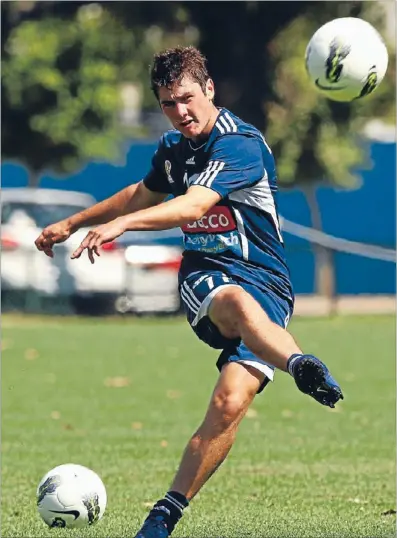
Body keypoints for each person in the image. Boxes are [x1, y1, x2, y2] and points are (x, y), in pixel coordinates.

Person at [35, 46, 343, 538]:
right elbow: (144, 191)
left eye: (185, 99)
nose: (179, 113)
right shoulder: (175, 149)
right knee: (235, 304)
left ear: (209, 90)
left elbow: (190, 205)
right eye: (167, 104)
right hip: (207, 280)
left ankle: (163, 517)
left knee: (229, 402)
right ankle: (301, 365)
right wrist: (72, 223)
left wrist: (123, 225)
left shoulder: (239, 144)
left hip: (269, 286)